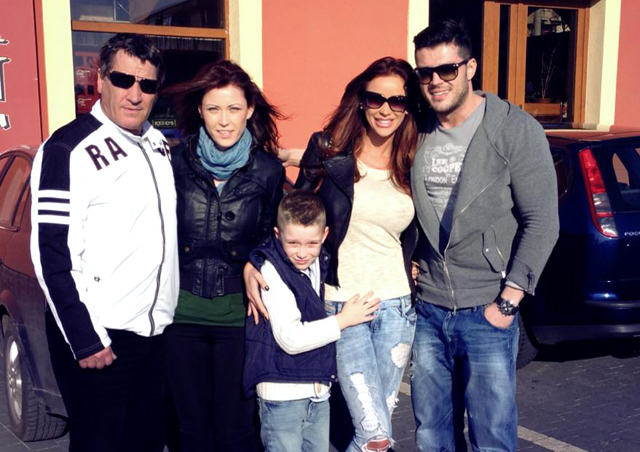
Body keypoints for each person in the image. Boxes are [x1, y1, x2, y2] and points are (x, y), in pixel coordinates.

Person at [246, 56, 420, 452]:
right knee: (375, 434)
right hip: (343, 304)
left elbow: (422, 226)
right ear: (361, 101)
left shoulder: (412, 158)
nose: (386, 110)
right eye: (376, 99)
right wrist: (255, 260)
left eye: (397, 101)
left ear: (408, 107)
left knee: (378, 428)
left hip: (397, 309)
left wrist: (419, 261)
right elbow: (293, 215)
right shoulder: (328, 151)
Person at [409, 20, 559, 451]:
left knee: (491, 436)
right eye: (425, 72)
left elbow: (542, 221)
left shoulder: (514, 129)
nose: (435, 81)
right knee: (431, 432)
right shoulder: (417, 130)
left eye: (447, 69)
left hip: (487, 308)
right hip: (429, 308)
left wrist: (508, 302)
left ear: (470, 67)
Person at [30, 33, 178, 451]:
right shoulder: (67, 148)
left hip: (153, 335)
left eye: (147, 84)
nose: (135, 94)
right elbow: (51, 253)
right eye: (123, 79)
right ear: (100, 79)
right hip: (102, 337)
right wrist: (85, 337)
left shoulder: (157, 143)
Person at [164, 59, 285, 451]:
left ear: (249, 110)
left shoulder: (267, 171)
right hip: (180, 318)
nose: (224, 120)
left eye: (234, 108)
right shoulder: (174, 164)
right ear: (200, 111)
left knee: (237, 430)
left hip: (241, 319)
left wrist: (255, 261)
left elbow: (274, 237)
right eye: (214, 109)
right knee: (191, 431)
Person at [243, 190, 380, 452]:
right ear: (277, 234)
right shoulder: (271, 272)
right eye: (293, 243)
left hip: (316, 391)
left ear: (325, 235)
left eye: (311, 243)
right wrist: (342, 320)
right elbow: (290, 338)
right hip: (282, 395)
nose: (302, 253)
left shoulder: (320, 262)